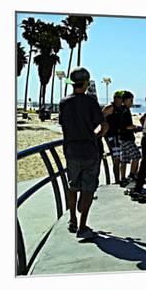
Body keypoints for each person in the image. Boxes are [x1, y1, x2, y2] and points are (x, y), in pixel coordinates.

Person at [58, 67, 107, 239]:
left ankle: (72, 219)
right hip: (89, 151)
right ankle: (82, 226)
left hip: (71, 151)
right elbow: (104, 126)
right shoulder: (90, 102)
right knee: (88, 189)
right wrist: (95, 135)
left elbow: (63, 124)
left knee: (72, 186)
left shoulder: (64, 102)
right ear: (86, 83)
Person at [118, 91, 141, 187]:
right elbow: (127, 126)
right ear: (126, 100)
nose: (132, 102)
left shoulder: (120, 110)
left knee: (124, 159)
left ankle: (122, 179)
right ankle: (131, 176)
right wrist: (136, 127)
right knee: (136, 156)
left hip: (121, 138)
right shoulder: (126, 111)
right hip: (127, 138)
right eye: (131, 100)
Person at [102, 90, 124, 184]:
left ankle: (119, 178)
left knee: (119, 157)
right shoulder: (110, 107)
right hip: (111, 135)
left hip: (119, 136)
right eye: (119, 98)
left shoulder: (122, 108)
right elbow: (100, 117)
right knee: (116, 158)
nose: (121, 100)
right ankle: (117, 180)